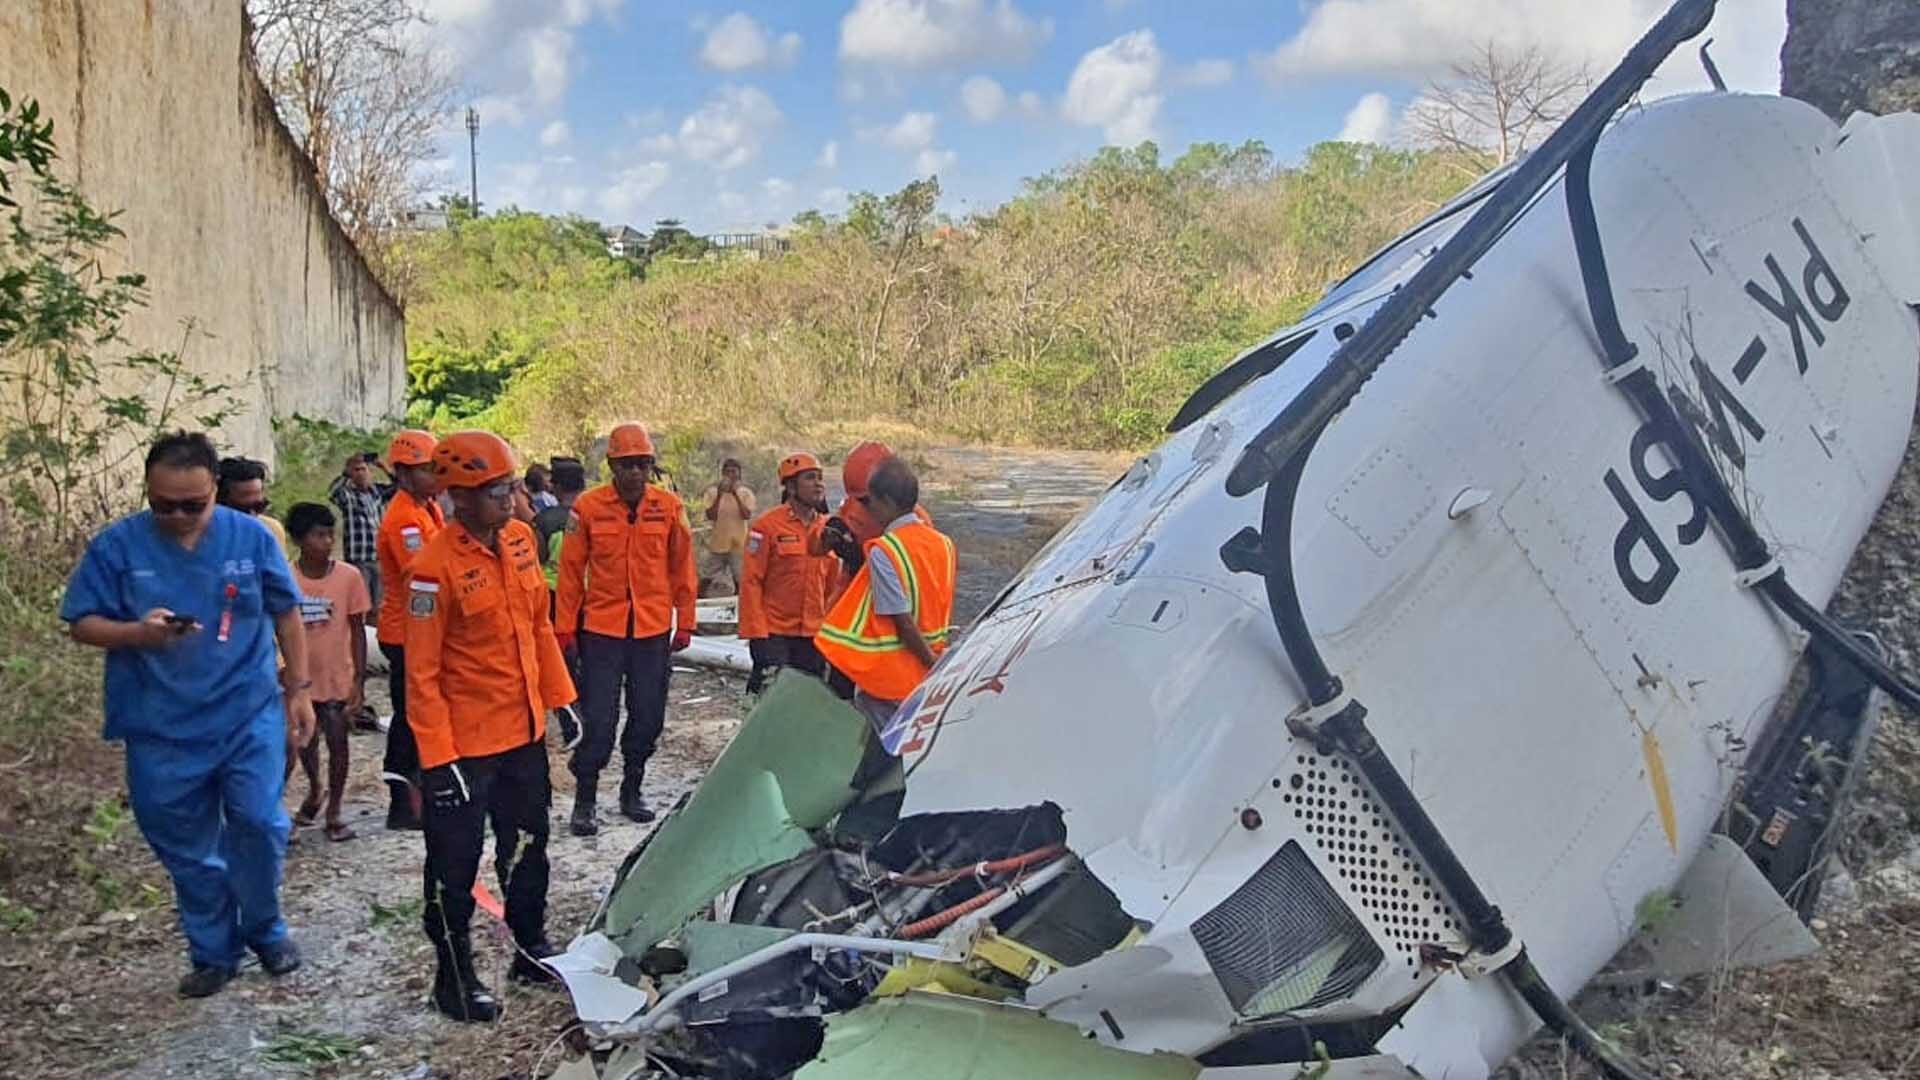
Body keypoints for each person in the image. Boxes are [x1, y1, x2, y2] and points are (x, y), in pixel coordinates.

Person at [60, 432, 314, 998]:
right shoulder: (118, 547)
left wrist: (298, 690)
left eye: (192, 505)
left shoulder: (250, 538)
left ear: (215, 491)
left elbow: (287, 613)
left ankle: (266, 930)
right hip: (161, 726)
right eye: (162, 504)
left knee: (259, 824)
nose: (177, 516)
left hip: (246, 714)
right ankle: (213, 950)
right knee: (185, 844)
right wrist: (136, 634)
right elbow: (81, 623)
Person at [404, 430, 579, 1022]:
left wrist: (562, 701)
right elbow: (420, 674)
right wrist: (437, 756)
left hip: (522, 735)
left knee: (529, 850)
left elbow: (539, 630)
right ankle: (452, 978)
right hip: (465, 747)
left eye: (509, 486)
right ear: (459, 496)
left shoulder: (523, 543)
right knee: (453, 867)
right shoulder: (433, 569)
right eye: (496, 490)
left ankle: (530, 951)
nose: (511, 498)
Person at [555, 422, 696, 835]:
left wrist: (684, 621)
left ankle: (632, 789)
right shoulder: (588, 508)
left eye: (642, 464)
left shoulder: (669, 508)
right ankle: (585, 798)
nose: (635, 472)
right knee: (598, 718)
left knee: (648, 715)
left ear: (651, 466)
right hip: (601, 630)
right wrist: (565, 628)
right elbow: (570, 572)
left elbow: (682, 568)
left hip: (651, 632)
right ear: (612, 466)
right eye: (627, 464)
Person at [815, 456, 957, 733]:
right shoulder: (944, 544)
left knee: (886, 754)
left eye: (872, 502)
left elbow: (901, 620)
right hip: (927, 667)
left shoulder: (885, 550)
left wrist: (932, 665)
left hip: (890, 678)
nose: (868, 510)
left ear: (888, 502)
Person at [283, 502, 370, 842]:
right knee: (304, 741)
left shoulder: (348, 577)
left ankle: (335, 809)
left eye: (330, 533)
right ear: (300, 540)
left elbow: (358, 629)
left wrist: (359, 680)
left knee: (338, 741)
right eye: (318, 535)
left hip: (337, 674)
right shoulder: (287, 578)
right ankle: (315, 788)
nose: (327, 541)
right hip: (301, 677)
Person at [374, 429, 443, 831]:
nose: (434, 476)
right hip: (405, 634)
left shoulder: (427, 508)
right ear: (403, 473)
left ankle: (418, 794)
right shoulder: (404, 520)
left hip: (421, 630)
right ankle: (403, 803)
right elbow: (424, 572)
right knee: (410, 718)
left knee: (421, 713)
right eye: (426, 470)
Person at [739, 453, 835, 694]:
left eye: (820, 478)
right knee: (769, 699)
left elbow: (833, 586)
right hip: (774, 633)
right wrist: (756, 633)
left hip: (813, 635)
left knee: (806, 701)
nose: (818, 483)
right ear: (791, 487)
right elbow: (751, 581)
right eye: (810, 478)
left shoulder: (829, 530)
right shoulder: (766, 527)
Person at [813, 440, 933, 609]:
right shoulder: (852, 506)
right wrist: (829, 536)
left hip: (890, 604)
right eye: (860, 499)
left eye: (867, 499)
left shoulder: (916, 521)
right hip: (851, 595)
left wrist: (863, 560)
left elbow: (913, 583)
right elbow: (816, 551)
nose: (867, 506)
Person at [328, 450, 390, 607]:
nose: (361, 473)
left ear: (370, 472)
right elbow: (333, 491)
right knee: (360, 604)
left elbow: (402, 486)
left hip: (378, 558)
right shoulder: (348, 497)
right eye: (357, 470)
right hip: (358, 559)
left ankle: (376, 631)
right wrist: (346, 472)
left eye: (364, 469)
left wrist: (383, 465)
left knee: (379, 605)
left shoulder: (378, 494)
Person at [698, 458, 755, 596]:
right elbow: (711, 515)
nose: (730, 475)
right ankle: (697, 602)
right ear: (722, 474)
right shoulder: (712, 492)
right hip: (717, 543)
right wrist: (719, 495)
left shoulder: (746, 493)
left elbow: (746, 515)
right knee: (706, 577)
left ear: (739, 475)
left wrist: (735, 494)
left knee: (740, 579)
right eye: (727, 472)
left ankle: (740, 605)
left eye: (733, 472)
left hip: (738, 544)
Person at [217, 455, 290, 554]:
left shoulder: (271, 530)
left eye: (259, 507)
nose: (252, 515)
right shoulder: (200, 534)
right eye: (242, 510)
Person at [534, 457, 587, 586]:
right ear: (583, 485)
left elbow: (539, 557)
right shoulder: (596, 514)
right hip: (587, 588)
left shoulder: (544, 519)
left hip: (554, 589)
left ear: (557, 487)